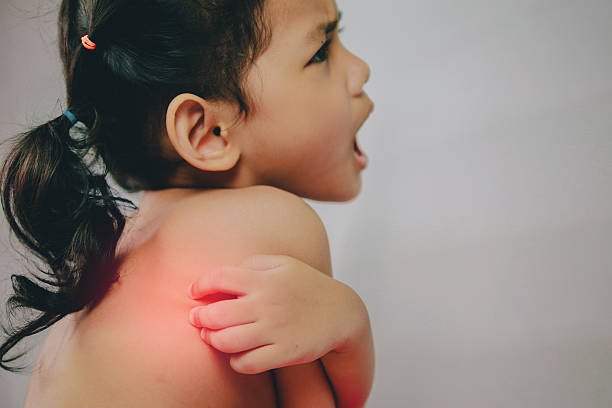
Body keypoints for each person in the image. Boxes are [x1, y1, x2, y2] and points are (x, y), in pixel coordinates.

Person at [0, 0, 375, 406]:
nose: (360, 71)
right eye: (320, 52)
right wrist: (352, 324)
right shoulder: (276, 222)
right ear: (208, 132)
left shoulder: (117, 253)